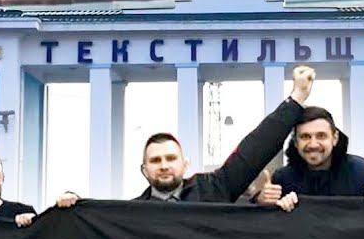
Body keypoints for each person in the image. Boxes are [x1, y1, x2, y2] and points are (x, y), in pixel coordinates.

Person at [55, 65, 314, 211]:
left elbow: (255, 148)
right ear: (144, 170)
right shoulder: (134, 214)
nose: (164, 165)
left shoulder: (213, 190)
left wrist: (297, 98)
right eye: (155, 160)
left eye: (171, 158)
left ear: (185, 164)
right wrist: (72, 206)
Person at [270, 107, 364, 197]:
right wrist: (264, 200)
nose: (313, 144)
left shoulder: (361, 172)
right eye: (305, 137)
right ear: (296, 142)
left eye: (321, 136)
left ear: (335, 138)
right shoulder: (283, 180)